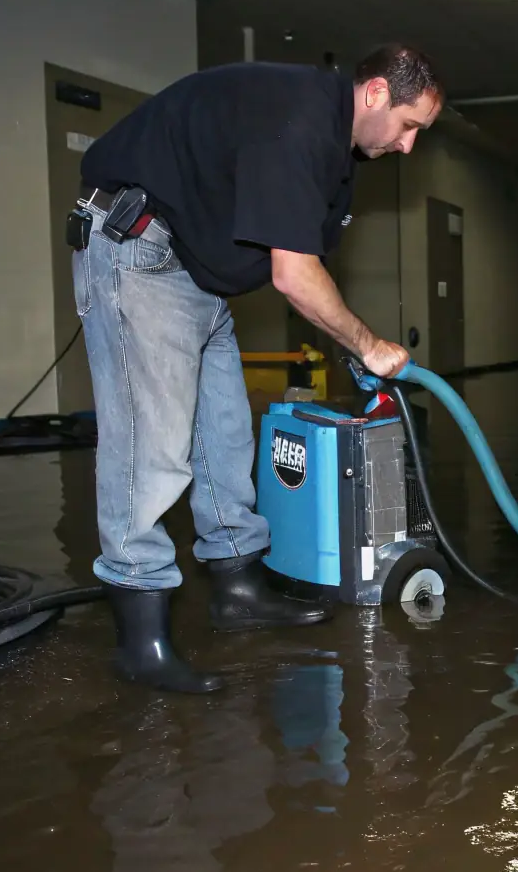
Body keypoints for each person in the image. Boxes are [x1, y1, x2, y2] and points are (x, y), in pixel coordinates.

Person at [68, 44, 444, 695]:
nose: (409, 146)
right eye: (410, 126)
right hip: (137, 250)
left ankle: (237, 586)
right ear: (377, 92)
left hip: (192, 267)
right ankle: (140, 637)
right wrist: (367, 345)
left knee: (223, 434)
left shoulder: (329, 140)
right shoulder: (298, 119)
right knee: (150, 447)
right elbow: (294, 274)